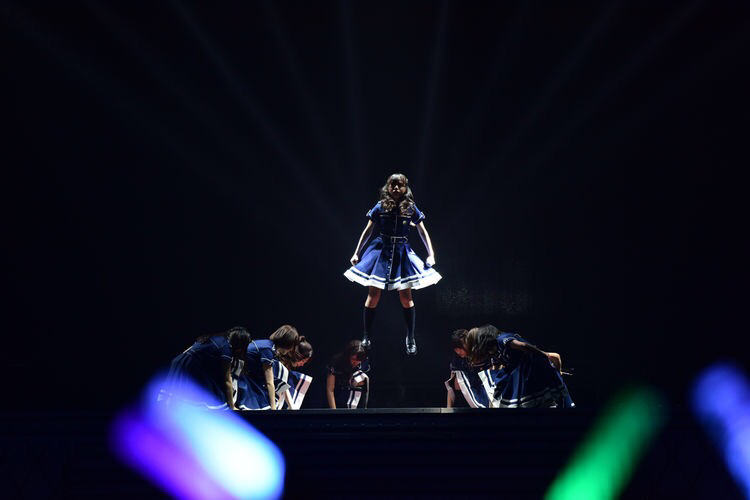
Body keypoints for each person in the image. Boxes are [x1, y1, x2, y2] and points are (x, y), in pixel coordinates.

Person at [344, 173, 441, 355]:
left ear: (405, 187)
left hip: (401, 252)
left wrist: (431, 254)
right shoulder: (380, 206)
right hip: (382, 250)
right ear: (388, 187)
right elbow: (368, 230)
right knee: (373, 295)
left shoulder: (410, 207)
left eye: (400, 185)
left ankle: (410, 337)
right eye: (393, 185)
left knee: (406, 297)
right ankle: (366, 336)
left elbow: (422, 231)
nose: (396, 188)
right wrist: (357, 252)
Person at [465, 325, 574, 408]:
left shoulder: (502, 339)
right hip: (522, 370)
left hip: (530, 369)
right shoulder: (497, 349)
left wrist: (543, 355)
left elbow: (524, 346)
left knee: (535, 398)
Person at [159, 326, 252, 410]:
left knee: (175, 399)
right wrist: (232, 406)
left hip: (179, 361)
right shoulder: (226, 347)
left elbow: (188, 351)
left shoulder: (215, 338)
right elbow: (227, 380)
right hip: (190, 366)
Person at [236, 325, 313, 410]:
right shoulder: (268, 350)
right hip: (241, 374)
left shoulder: (270, 347)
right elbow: (270, 382)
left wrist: (291, 407)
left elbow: (278, 381)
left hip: (251, 373)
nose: (302, 365)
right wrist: (273, 410)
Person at [445, 329, 497, 408]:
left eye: (461, 347)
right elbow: (451, 387)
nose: (458, 351)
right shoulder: (459, 362)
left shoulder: (484, 355)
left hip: (485, 396)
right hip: (466, 399)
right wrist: (448, 409)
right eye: (456, 349)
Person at [326, 340, 370, 409]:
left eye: (358, 360)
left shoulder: (363, 364)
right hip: (337, 397)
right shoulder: (336, 363)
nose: (356, 362)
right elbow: (330, 389)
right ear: (348, 356)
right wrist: (334, 411)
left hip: (353, 401)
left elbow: (364, 390)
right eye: (353, 359)